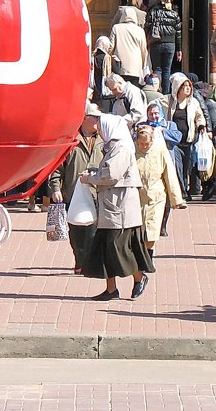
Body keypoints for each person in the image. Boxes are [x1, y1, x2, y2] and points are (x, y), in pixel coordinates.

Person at [79, 113, 154, 301]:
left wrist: (90, 178)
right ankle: (111, 289)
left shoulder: (121, 147)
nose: (99, 130)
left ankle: (139, 276)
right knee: (105, 247)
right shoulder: (113, 147)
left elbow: (112, 174)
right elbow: (108, 171)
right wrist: (95, 171)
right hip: (110, 205)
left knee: (118, 248)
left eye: (101, 126)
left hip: (121, 208)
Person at [48, 105, 103, 273]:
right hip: (74, 192)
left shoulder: (103, 139)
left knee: (95, 230)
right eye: (95, 116)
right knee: (78, 231)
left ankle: (91, 262)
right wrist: (56, 187)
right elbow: (57, 167)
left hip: (97, 192)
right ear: (85, 117)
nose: (98, 120)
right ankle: (80, 261)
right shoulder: (71, 139)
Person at [133, 124, 184, 263]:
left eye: (147, 143)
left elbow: (170, 175)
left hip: (156, 197)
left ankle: (148, 260)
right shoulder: (131, 151)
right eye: (141, 143)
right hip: (136, 198)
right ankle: (140, 258)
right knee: (138, 231)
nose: (144, 146)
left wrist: (176, 199)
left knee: (152, 229)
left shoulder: (160, 150)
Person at [162, 74, 208, 200]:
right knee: (176, 166)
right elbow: (156, 107)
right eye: (184, 86)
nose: (187, 88)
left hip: (188, 141)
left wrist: (201, 125)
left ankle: (183, 189)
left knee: (186, 167)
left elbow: (199, 116)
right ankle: (182, 192)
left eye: (189, 86)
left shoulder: (193, 102)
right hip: (173, 142)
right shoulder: (168, 101)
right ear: (177, 87)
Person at [145, 0, 182, 93]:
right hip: (170, 44)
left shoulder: (154, 11)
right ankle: (166, 93)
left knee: (157, 69)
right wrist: (179, 49)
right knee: (167, 70)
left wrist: (146, 41)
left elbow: (147, 26)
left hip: (156, 43)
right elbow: (178, 32)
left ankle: (156, 91)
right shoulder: (174, 13)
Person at [109, 5, 148, 86]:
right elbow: (144, 50)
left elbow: (110, 47)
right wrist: (143, 65)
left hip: (120, 67)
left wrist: (109, 60)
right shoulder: (140, 30)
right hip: (135, 67)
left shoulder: (116, 28)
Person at [91, 37, 114, 108]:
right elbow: (111, 73)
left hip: (94, 90)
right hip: (105, 93)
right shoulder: (107, 57)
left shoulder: (92, 57)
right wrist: (117, 63)